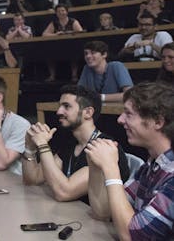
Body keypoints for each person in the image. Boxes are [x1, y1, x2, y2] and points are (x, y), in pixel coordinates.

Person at [85, 82, 174, 239]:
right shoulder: (152, 165)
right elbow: (102, 211)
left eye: (128, 113)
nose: (120, 120)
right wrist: (95, 166)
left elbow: (131, 235)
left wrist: (111, 167)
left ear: (158, 122)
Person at [22, 85, 129, 203]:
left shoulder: (104, 147)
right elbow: (33, 179)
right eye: (60, 106)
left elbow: (64, 192)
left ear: (88, 112)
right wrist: (30, 147)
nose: (59, 112)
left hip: (94, 220)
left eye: (66, 106)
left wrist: (42, 144)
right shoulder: (71, 143)